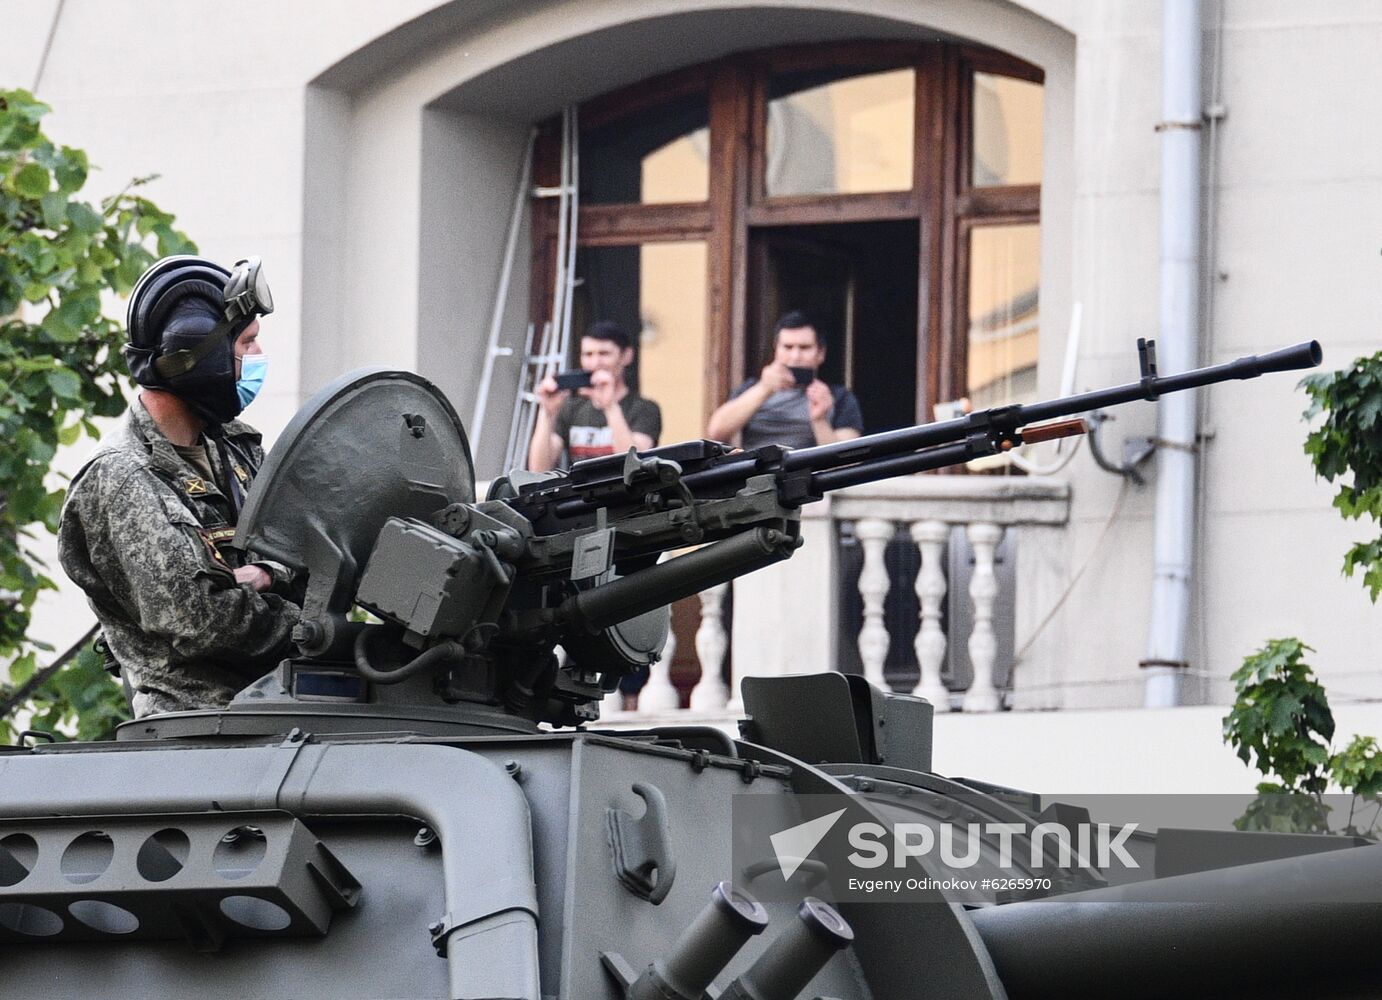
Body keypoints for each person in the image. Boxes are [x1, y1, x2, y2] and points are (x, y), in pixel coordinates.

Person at [57, 255, 301, 718]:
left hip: (285, 712)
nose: (257, 358)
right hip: (201, 730)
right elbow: (199, 622)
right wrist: (313, 627)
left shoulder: (236, 447)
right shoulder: (122, 478)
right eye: (247, 343)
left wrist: (269, 574)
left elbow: (309, 553)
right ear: (194, 357)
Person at [707, 310, 864, 450]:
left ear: (820, 353)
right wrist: (764, 389)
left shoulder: (840, 397)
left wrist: (820, 420)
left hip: (813, 477)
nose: (795, 357)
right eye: (788, 347)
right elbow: (716, 432)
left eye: (804, 348)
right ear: (776, 350)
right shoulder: (751, 389)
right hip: (758, 478)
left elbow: (846, 460)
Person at [528, 320, 662, 471]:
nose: (595, 362)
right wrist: (546, 413)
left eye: (604, 354)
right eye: (588, 354)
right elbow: (538, 469)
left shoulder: (644, 408)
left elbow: (634, 467)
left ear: (626, 356)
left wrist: (610, 407)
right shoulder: (572, 408)